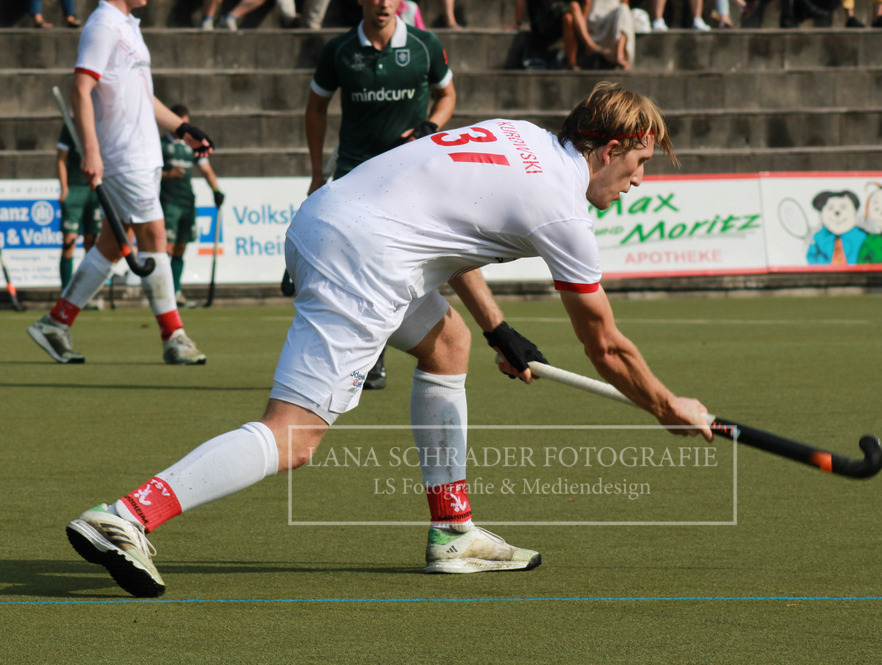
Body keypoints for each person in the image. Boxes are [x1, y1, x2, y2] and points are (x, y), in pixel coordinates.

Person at [64, 82, 715, 598]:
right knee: (294, 434)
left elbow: (447, 227)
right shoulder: (564, 206)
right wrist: (667, 406)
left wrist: (498, 328)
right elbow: (605, 344)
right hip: (366, 258)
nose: (637, 180)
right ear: (609, 148)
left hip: (333, 222)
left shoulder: (523, 138)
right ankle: (128, 514)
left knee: (448, 345)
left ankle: (453, 531)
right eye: (638, 163)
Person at [27, 0, 213, 366]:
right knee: (155, 236)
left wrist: (181, 128)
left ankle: (55, 323)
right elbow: (81, 88)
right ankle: (173, 336)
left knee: (112, 245)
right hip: (124, 155)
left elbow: (141, 95)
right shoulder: (103, 24)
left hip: (141, 154)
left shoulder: (128, 24)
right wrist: (91, 152)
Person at [302, 0, 457, 389]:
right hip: (355, 174)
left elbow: (447, 95)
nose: (384, 3)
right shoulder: (338, 50)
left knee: (402, 267)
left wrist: (429, 126)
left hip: (410, 176)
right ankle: (370, 359)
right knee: (360, 267)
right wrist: (316, 171)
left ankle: (395, 351)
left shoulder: (424, 44)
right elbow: (315, 108)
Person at [160, 104, 225, 307]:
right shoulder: (160, 144)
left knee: (181, 247)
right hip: (167, 202)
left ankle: (176, 292)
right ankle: (163, 295)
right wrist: (167, 175)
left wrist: (216, 190)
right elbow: (149, 173)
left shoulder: (191, 145)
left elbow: (206, 170)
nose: (186, 128)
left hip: (187, 202)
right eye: (182, 124)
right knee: (166, 248)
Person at [56, 124, 102, 294]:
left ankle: (85, 293)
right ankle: (66, 293)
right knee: (69, 241)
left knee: (92, 243)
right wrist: (64, 188)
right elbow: (61, 158)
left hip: (95, 189)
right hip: (75, 188)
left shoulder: (102, 122)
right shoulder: (70, 125)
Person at [587, 0, 634, 68]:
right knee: (623, 10)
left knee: (624, 9)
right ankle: (620, 58)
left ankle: (620, 55)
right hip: (595, 22)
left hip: (613, 20)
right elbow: (587, 3)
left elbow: (625, 2)